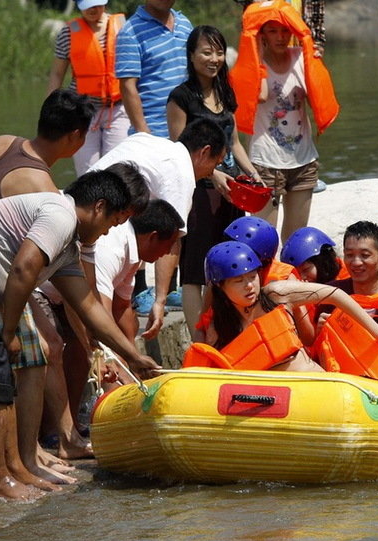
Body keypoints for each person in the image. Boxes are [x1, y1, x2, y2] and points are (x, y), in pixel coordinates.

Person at [0, 171, 159, 502]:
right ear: (98, 207)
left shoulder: (68, 248)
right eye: (113, 222)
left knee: (1, 373)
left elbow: (89, 308)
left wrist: (134, 357)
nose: (109, 231)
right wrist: (9, 331)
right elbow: (23, 268)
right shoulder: (60, 215)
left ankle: (14, 470)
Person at [0, 89, 118, 476]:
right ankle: (31, 452)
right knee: (37, 350)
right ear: (76, 136)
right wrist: (91, 339)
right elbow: (60, 277)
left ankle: (61, 439)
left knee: (49, 345)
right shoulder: (42, 188)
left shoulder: (0, 143)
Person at [89, 117, 227, 333]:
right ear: (204, 152)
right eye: (215, 164)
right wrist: (160, 300)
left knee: (123, 314)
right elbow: (172, 238)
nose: (212, 173)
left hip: (87, 209)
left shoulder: (149, 142)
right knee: (101, 320)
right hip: (101, 233)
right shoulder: (181, 173)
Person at [167, 25, 264, 330]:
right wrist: (213, 173)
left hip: (230, 192)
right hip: (198, 190)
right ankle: (198, 341)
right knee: (195, 270)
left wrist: (253, 174)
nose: (214, 59)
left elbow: (234, 143)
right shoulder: (181, 97)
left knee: (228, 264)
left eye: (219, 52)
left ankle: (222, 332)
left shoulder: (225, 91)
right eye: (206, 52)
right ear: (191, 55)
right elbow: (180, 149)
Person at [182, 241, 378, 372]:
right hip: (267, 402)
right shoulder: (218, 328)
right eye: (239, 281)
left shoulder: (276, 294)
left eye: (253, 276)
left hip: (312, 387)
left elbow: (335, 294)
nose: (249, 285)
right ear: (220, 286)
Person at [229, 0, 339, 242]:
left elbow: (317, 97)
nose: (280, 37)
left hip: (303, 160)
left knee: (295, 239)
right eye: (272, 31)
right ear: (262, 34)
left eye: (284, 30)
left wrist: (315, 61)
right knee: (264, 239)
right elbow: (261, 95)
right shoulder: (251, 65)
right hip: (266, 162)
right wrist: (257, 54)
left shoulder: (302, 58)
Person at [47, 0, 130, 176]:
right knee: (87, 171)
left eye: (97, 4)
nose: (93, 9)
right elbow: (57, 74)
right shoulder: (68, 33)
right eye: (88, 4)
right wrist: (51, 109)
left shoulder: (124, 27)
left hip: (117, 109)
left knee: (116, 169)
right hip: (81, 111)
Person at [86, 198, 183, 344]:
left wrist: (132, 350)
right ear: (153, 237)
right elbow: (102, 314)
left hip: (83, 304)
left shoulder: (135, 251)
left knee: (133, 323)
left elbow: (121, 307)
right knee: (84, 337)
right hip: (58, 298)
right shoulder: (112, 250)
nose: (168, 252)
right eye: (169, 245)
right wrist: (126, 354)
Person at [115, 0, 192, 137]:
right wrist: (144, 133)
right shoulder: (130, 32)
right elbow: (127, 87)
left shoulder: (184, 24)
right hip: (155, 133)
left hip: (189, 130)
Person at [280, 225, 346, 284]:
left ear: (324, 261)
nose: (302, 277)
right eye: (297, 273)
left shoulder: (348, 279)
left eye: (306, 269)